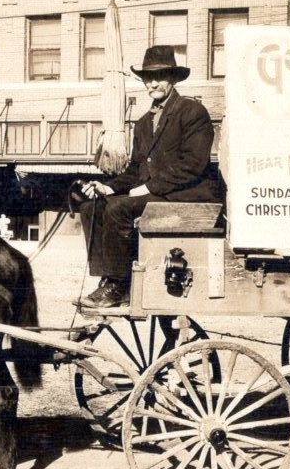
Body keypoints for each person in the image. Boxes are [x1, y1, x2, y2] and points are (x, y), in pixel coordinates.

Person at [76, 45, 223, 308]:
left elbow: (192, 165)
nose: (153, 83)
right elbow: (135, 170)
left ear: (173, 78)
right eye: (148, 78)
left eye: (160, 76)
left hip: (187, 195)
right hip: (158, 193)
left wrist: (148, 188)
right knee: (91, 207)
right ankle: (108, 279)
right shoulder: (144, 123)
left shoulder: (192, 112)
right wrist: (108, 187)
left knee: (119, 209)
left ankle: (119, 286)